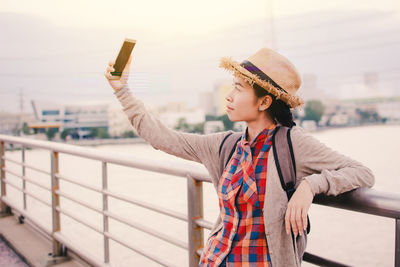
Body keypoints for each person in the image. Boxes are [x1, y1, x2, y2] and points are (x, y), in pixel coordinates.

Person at [104, 47, 375, 267]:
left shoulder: (293, 144)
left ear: (264, 102)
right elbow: (161, 137)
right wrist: (122, 90)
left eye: (239, 88)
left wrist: (310, 186)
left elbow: (362, 173)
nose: (229, 96)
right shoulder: (224, 145)